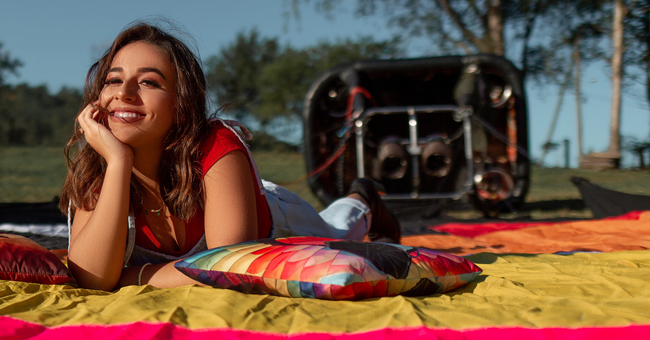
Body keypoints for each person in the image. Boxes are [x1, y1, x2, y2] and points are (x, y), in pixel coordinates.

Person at [59, 22, 401, 291]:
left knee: (339, 230)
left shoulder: (216, 144)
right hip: (195, 232)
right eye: (113, 80)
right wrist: (119, 163)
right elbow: (93, 278)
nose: (124, 93)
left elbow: (228, 265)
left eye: (149, 82)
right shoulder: (99, 170)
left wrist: (133, 276)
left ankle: (364, 199)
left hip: (277, 223)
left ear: (181, 106)